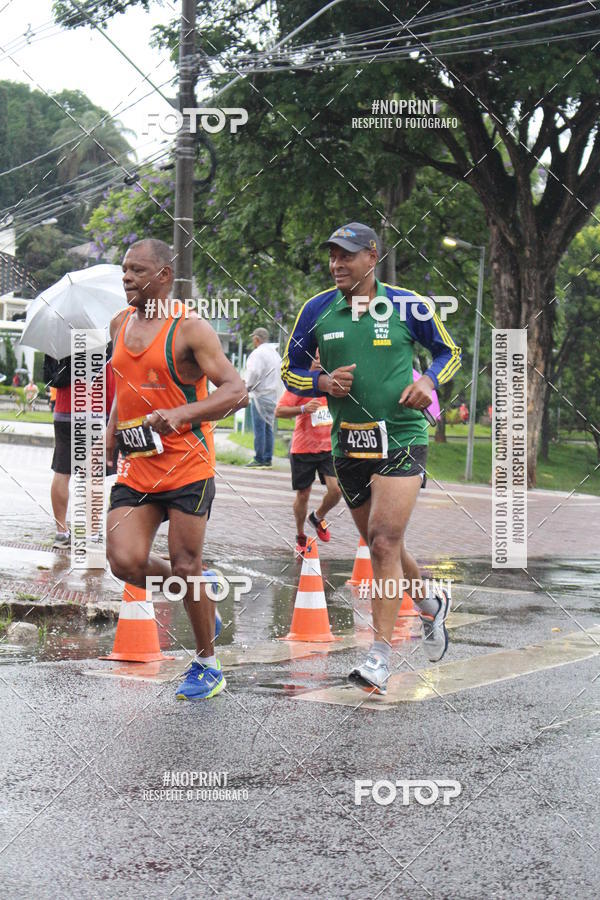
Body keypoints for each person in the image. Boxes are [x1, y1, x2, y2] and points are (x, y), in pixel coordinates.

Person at [281, 221, 462, 695]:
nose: (337, 264)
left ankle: (379, 654)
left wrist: (429, 382)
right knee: (388, 546)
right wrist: (321, 383)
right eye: (332, 256)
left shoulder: (406, 304)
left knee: (382, 543)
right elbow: (290, 369)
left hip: (402, 435)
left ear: (372, 257)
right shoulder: (317, 309)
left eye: (347, 255)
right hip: (348, 442)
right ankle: (428, 601)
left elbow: (450, 351)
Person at [105, 238, 248, 702]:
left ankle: (207, 663)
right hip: (138, 465)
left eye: (137, 270)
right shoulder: (120, 323)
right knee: (123, 560)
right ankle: (200, 592)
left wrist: (183, 416)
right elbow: (123, 390)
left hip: (187, 466)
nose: (126, 277)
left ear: (164, 277)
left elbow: (235, 390)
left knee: (186, 563)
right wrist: (110, 436)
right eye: (124, 269)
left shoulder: (191, 329)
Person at [275, 353, 342, 555]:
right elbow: (279, 411)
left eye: (323, 356)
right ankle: (300, 534)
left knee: (336, 490)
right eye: (315, 356)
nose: (319, 360)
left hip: (328, 447)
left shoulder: (333, 383)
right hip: (303, 448)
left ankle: (318, 516)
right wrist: (303, 408)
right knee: (303, 494)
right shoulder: (301, 382)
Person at [245, 327, 282, 469]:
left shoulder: (258, 354)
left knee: (259, 428)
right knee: (268, 427)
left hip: (260, 395)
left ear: (256, 339)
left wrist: (247, 386)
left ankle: (259, 458)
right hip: (273, 396)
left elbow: (253, 372)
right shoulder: (274, 354)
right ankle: (267, 458)